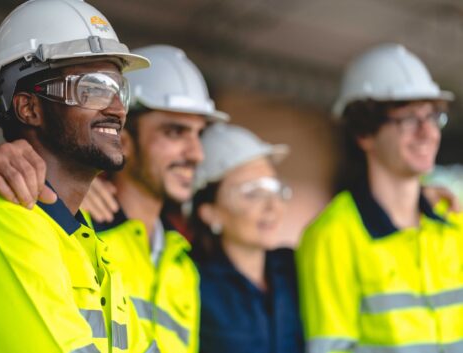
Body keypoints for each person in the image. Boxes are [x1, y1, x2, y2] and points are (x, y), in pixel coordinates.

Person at [0, 0, 156, 352]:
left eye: (117, 89)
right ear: (29, 108)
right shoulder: (2, 222)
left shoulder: (86, 242)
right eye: (92, 88)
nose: (116, 108)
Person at [296, 43, 463, 353]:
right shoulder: (331, 236)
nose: (428, 133)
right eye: (409, 119)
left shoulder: (452, 223)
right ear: (364, 134)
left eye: (432, 117)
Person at [86, 44, 228, 353]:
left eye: (198, 134)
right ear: (121, 140)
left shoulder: (183, 266)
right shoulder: (81, 234)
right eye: (175, 132)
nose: (196, 154)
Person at [189, 123, 304, 353]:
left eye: (273, 188)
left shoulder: (294, 270)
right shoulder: (192, 282)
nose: (272, 206)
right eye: (252, 193)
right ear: (210, 213)